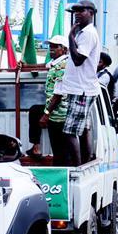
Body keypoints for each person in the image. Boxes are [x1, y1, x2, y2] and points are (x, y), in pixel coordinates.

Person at [46, 0, 100, 167]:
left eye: (80, 11)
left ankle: (78, 168)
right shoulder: (83, 33)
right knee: (82, 130)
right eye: (74, 11)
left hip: (81, 89)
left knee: (70, 132)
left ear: (91, 13)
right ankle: (84, 162)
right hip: (80, 88)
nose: (76, 14)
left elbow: (78, 60)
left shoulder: (88, 33)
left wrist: (70, 36)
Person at [34, 35, 70, 165]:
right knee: (58, 149)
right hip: (56, 113)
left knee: (60, 150)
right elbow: (45, 65)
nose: (51, 49)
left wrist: (47, 114)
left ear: (64, 49)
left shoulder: (63, 65)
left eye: (55, 46)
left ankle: (62, 174)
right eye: (50, 46)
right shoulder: (56, 63)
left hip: (59, 114)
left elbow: (59, 94)